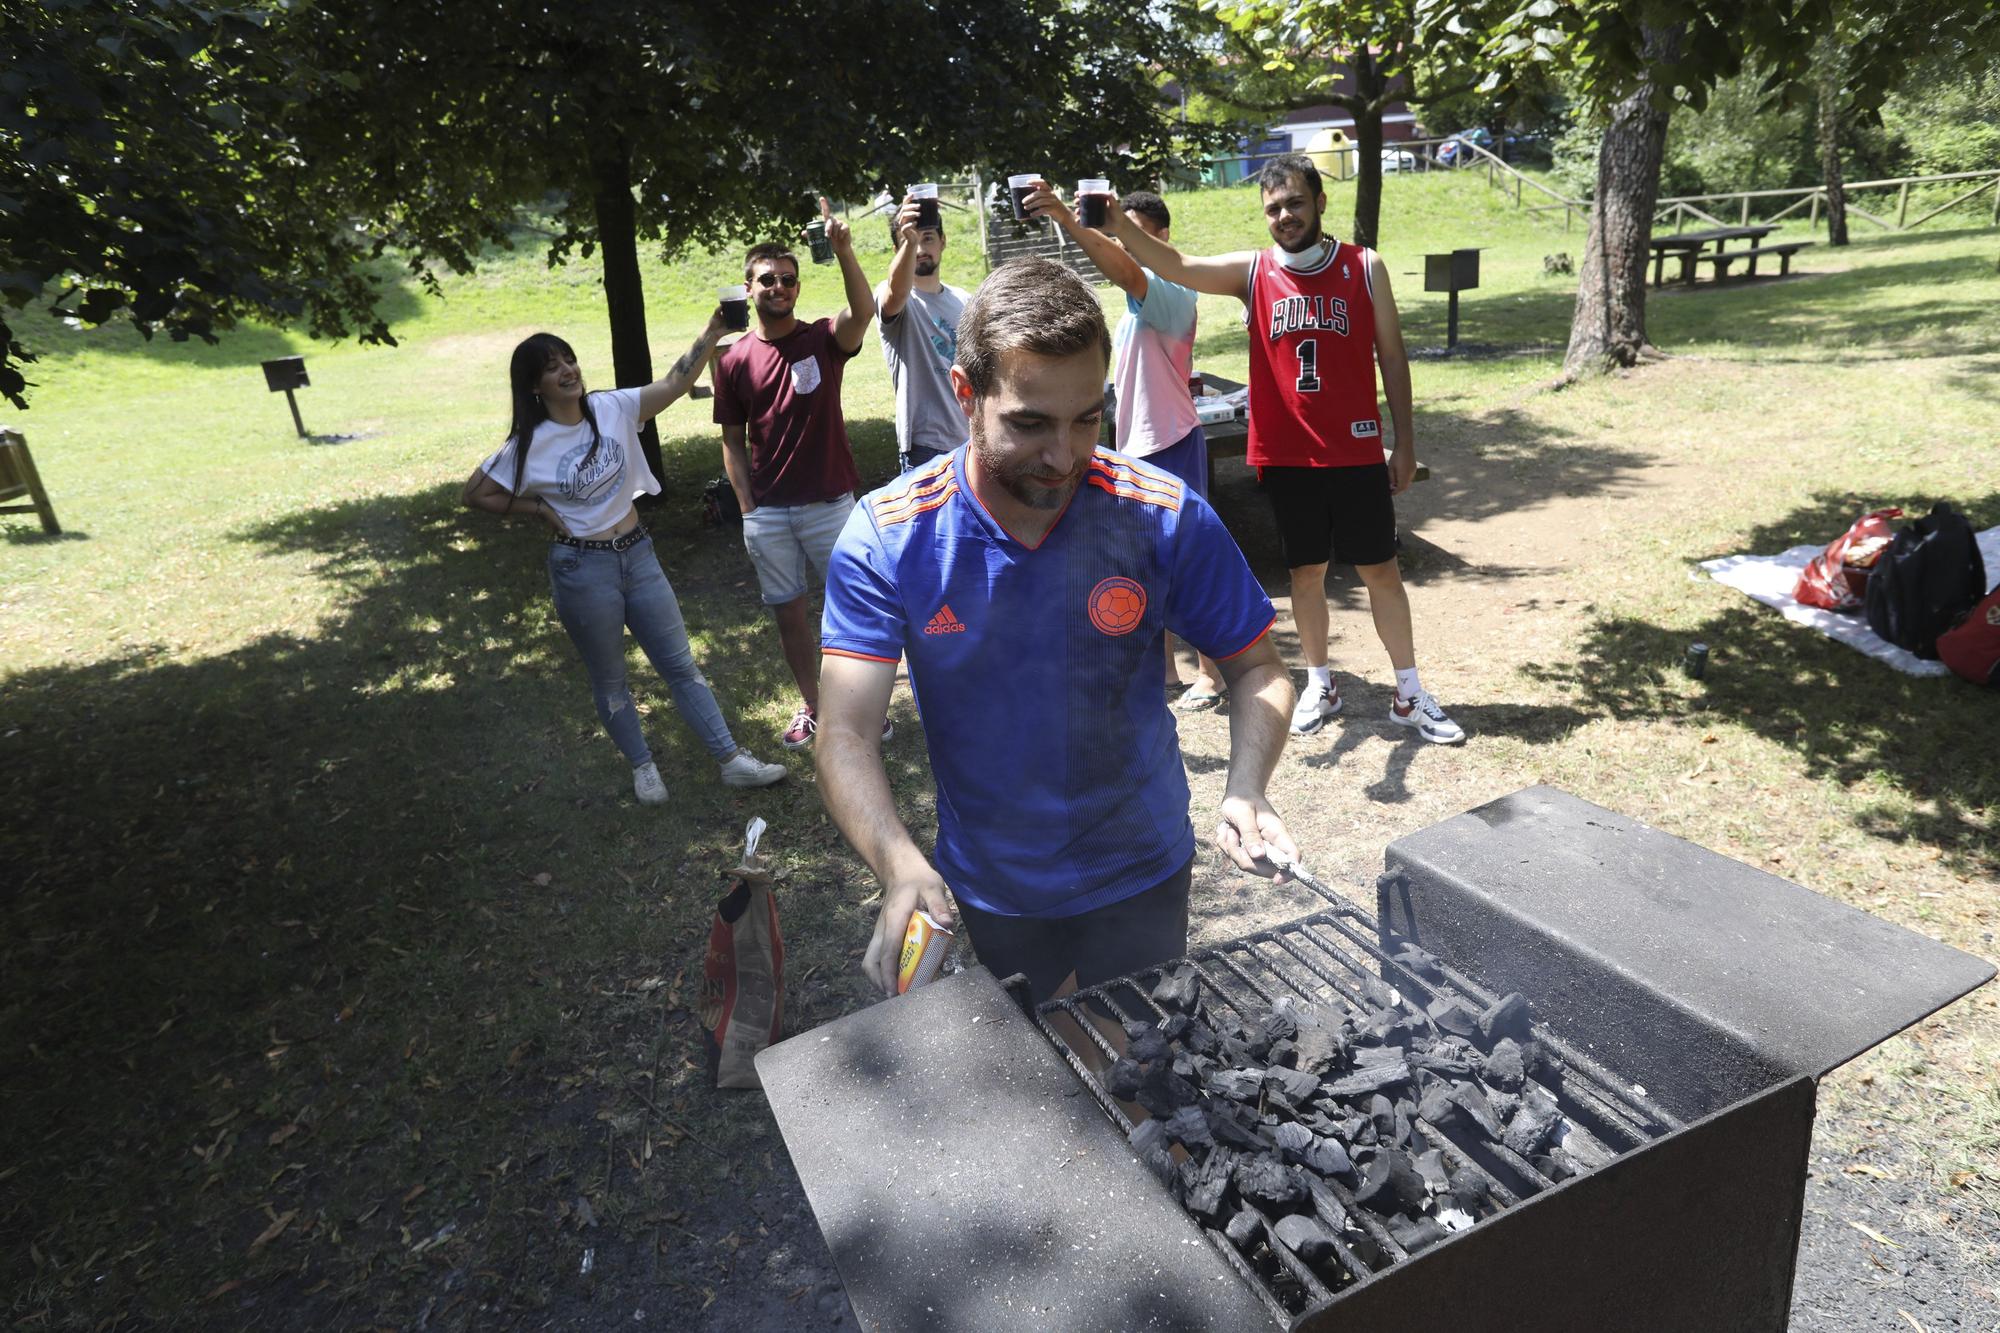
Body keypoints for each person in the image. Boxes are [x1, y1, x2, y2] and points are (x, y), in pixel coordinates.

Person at [816, 256, 1300, 1003]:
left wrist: (1246, 787)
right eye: (1030, 423)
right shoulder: (890, 537)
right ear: (965, 395)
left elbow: (1258, 667)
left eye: (1088, 418)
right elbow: (845, 732)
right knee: (1044, 1070)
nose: (1065, 455)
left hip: (1143, 861)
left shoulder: (1159, 513)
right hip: (995, 880)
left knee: (1143, 1057)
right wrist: (898, 862)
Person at [1110, 152, 1466, 745]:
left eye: (1295, 202)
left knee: (1381, 569)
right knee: (1306, 573)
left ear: (1321, 202)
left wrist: (1403, 441)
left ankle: (1408, 691)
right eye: (1273, 207)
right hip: (1288, 454)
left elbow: (1393, 359)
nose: (1285, 215)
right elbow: (1175, 262)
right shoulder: (1253, 272)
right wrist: (1115, 223)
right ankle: (1321, 685)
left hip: (1354, 450)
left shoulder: (1363, 265)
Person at [462, 325, 788, 804]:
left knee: (680, 665)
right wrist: (538, 509)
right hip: (582, 567)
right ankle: (644, 768)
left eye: (568, 360)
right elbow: (475, 493)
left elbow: (676, 384)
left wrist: (715, 328)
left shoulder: (610, 407)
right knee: (611, 678)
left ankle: (731, 760)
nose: (566, 371)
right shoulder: (530, 445)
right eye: (552, 368)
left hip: (637, 552)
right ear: (535, 386)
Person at [1023, 181, 1227, 712]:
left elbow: (1128, 270)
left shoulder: (1172, 292)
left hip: (1173, 440)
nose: (1122, 242)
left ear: (1162, 238)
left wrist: (1073, 221)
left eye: (1132, 232)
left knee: (1187, 560)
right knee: (1143, 561)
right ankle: (1162, 671)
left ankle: (1211, 674)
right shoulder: (1133, 308)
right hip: (1138, 443)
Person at [713, 199, 891, 751]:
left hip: (830, 504)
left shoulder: (820, 339)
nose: (780, 287)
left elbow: (863, 312)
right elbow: (732, 441)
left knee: (853, 611)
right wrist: (747, 510)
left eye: (788, 279)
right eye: (768, 279)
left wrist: (844, 251)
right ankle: (814, 706)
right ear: (749, 287)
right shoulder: (733, 359)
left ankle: (862, 710)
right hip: (769, 513)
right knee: (790, 617)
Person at [876, 191, 971, 473]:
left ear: (943, 241)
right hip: (924, 447)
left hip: (971, 440)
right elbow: (895, 293)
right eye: (910, 242)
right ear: (898, 251)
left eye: (927, 237)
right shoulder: (896, 298)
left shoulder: (965, 300)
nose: (920, 249)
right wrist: (910, 240)